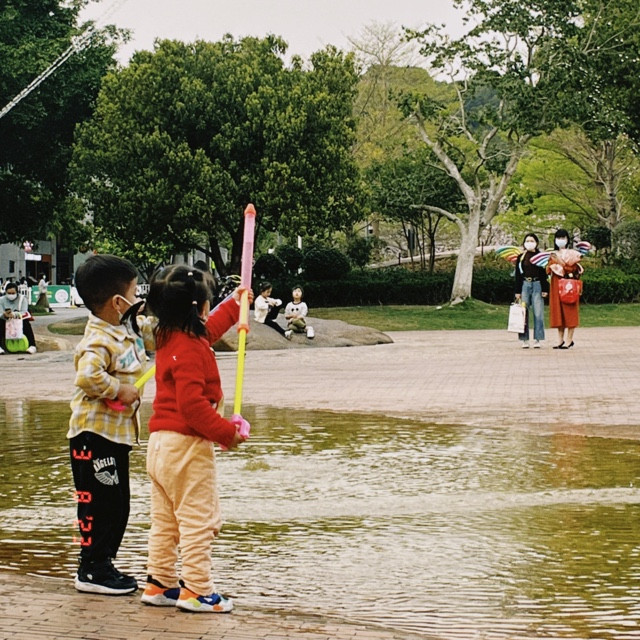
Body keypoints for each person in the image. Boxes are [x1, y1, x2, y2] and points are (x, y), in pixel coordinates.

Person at [140, 265, 250, 613]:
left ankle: (160, 582)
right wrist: (226, 433)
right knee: (199, 520)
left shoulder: (170, 336)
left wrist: (235, 306)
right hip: (186, 446)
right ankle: (198, 590)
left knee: (166, 521)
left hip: (160, 445)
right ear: (200, 307)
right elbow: (192, 407)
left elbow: (207, 330)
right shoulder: (191, 349)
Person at [67, 254, 155, 595]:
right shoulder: (98, 340)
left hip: (116, 435)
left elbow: (154, 334)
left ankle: (103, 563)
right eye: (134, 293)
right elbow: (87, 376)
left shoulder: (126, 328)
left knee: (118, 503)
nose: (137, 299)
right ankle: (91, 568)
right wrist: (119, 389)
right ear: (118, 302)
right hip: (93, 436)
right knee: (98, 503)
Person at [547, 229, 583, 349]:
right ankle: (560, 339)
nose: (560, 240)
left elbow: (574, 269)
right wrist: (551, 264)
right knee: (558, 312)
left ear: (567, 239)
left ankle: (569, 339)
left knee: (570, 311)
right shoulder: (552, 254)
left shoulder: (572, 254)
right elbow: (548, 269)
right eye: (558, 238)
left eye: (563, 238)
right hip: (556, 285)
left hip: (568, 286)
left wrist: (562, 263)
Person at [514, 233, 548, 348]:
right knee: (524, 313)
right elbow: (518, 275)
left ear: (536, 243)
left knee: (538, 312)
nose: (529, 243)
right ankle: (524, 339)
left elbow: (544, 274)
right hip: (525, 285)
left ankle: (538, 339)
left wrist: (545, 289)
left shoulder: (540, 256)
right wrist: (517, 291)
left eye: (532, 241)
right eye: (527, 241)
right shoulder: (521, 257)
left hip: (537, 284)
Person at [0, 281, 37, 354]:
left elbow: (24, 311)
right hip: (5, 319)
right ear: (6, 292)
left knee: (26, 322)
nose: (11, 295)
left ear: (17, 292)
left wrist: (14, 314)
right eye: (9, 293)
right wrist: (4, 315)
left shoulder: (22, 299)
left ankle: (32, 345)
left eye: (13, 293)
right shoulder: (1, 300)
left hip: (18, 320)